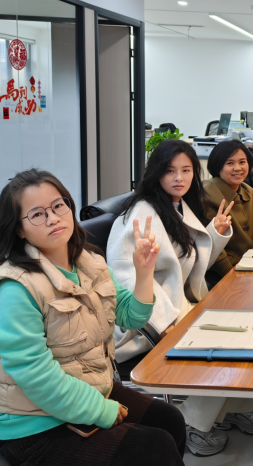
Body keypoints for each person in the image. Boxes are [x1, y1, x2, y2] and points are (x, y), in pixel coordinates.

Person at [0, 169, 186, 465]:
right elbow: (36, 377)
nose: (53, 218)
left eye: (58, 206)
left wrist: (144, 272)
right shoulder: (16, 288)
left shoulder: (89, 263)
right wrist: (101, 410)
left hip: (88, 388)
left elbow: (132, 317)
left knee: (170, 420)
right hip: (34, 424)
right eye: (37, 214)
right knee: (154, 448)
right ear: (19, 230)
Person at [106, 140, 253, 457]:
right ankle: (192, 423)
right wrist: (164, 323)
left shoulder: (176, 205)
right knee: (228, 346)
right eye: (170, 171)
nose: (179, 178)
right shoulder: (140, 214)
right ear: (156, 173)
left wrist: (215, 233)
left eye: (186, 170)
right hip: (147, 324)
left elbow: (186, 264)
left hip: (181, 307)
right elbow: (126, 277)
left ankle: (226, 410)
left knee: (246, 330)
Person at [204, 140, 253, 280]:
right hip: (222, 274)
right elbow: (210, 245)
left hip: (251, 264)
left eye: (242, 162)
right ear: (218, 166)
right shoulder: (206, 194)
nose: (238, 168)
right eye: (230, 163)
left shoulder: (247, 191)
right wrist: (231, 277)